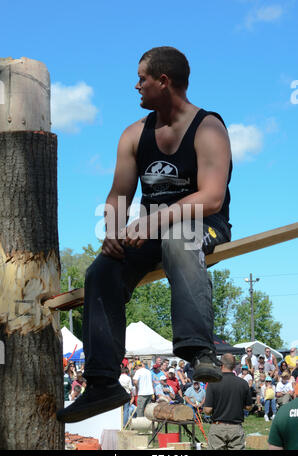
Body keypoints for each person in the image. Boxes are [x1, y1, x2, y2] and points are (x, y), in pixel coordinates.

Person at [57, 45, 232, 423]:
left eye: (142, 78)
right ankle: (103, 382)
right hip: (150, 228)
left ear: (163, 81)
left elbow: (213, 197)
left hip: (201, 223)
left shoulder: (209, 128)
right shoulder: (135, 134)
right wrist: (113, 230)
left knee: (178, 238)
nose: (136, 86)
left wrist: (154, 221)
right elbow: (119, 195)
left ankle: (200, 350)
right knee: (100, 272)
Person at [203, 353, 253, 450]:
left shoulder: (213, 383)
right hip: (236, 428)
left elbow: (208, 410)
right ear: (234, 366)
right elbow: (248, 407)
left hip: (218, 427)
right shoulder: (243, 383)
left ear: (220, 364)